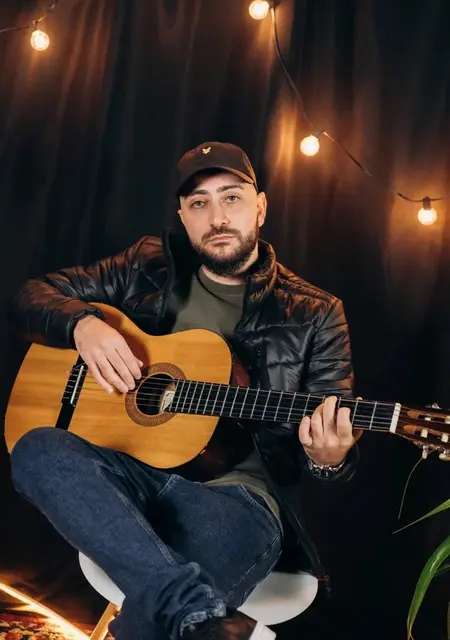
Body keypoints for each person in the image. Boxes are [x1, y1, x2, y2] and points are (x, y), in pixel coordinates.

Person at [8, 142, 360, 640]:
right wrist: (83, 325)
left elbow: (329, 447)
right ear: (182, 216)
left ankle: (190, 608)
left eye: (231, 198)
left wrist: (329, 456)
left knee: (166, 605)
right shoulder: (146, 264)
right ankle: (195, 610)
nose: (217, 218)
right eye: (199, 203)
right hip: (130, 472)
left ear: (260, 207)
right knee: (37, 448)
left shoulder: (315, 312)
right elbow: (30, 296)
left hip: (238, 500)